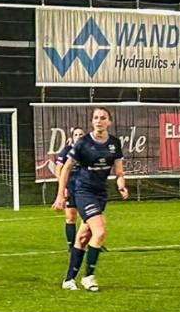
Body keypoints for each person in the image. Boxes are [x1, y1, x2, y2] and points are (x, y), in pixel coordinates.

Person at [52, 106, 129, 292]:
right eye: (96, 117)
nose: (99, 121)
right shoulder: (83, 143)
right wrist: (60, 194)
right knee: (100, 232)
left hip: (100, 193)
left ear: (109, 122)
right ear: (92, 121)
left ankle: (69, 279)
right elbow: (66, 169)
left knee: (84, 236)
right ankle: (89, 277)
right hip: (83, 191)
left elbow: (119, 171)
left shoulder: (114, 143)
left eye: (103, 117)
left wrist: (121, 185)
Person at [54, 127, 86, 250]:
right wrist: (63, 187)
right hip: (71, 187)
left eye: (81, 134)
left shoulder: (89, 150)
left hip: (85, 187)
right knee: (71, 217)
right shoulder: (67, 150)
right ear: (72, 137)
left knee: (89, 217)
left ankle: (94, 243)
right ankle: (71, 245)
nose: (78, 136)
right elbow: (58, 169)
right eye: (76, 134)